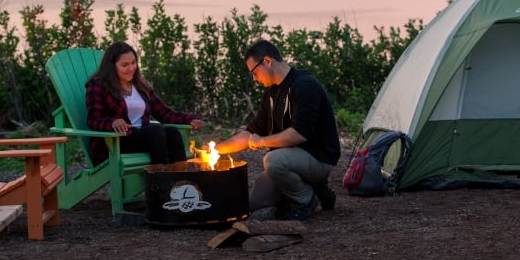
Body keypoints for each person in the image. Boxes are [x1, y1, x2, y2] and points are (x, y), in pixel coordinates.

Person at [211, 39, 341, 221]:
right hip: (293, 160)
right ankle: (319, 190)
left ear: (267, 61)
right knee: (257, 204)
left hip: (318, 158)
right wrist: (214, 150)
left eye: (254, 72)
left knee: (273, 161)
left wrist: (261, 142)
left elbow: (299, 134)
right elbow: (252, 131)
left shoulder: (304, 85)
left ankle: (306, 200)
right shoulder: (272, 94)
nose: (254, 78)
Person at [85, 41, 205, 166]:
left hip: (143, 137)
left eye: (133, 63)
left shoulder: (140, 85)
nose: (131, 68)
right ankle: (159, 182)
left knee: (173, 133)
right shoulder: (98, 86)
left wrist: (189, 119)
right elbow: (93, 120)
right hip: (115, 142)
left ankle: (181, 180)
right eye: (125, 65)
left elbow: (163, 112)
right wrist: (112, 123)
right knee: (155, 131)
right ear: (112, 66)